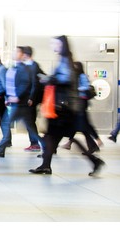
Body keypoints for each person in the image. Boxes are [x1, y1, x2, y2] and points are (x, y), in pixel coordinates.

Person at [29, 35, 105, 176]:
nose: (53, 46)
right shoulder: (65, 59)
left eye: (55, 43)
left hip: (62, 108)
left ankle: (93, 161)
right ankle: (46, 165)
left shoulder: (64, 61)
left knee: (51, 136)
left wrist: (49, 79)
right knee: (53, 137)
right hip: (64, 107)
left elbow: (66, 78)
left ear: (61, 45)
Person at [0, 47, 43, 158]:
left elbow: (26, 84)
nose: (13, 53)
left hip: (20, 104)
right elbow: (10, 85)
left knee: (6, 122)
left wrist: (16, 97)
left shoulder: (24, 68)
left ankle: (1, 148)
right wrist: (7, 97)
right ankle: (46, 147)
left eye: (16, 52)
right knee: (29, 127)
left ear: (22, 54)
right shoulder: (14, 67)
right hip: (16, 103)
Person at [60, 61, 102, 153]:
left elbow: (86, 87)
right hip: (76, 102)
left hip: (81, 102)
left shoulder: (82, 76)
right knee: (79, 125)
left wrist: (77, 88)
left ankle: (95, 143)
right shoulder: (75, 76)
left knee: (83, 125)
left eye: (75, 67)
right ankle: (91, 145)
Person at [22, 46, 46, 152]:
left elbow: (34, 84)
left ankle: (36, 143)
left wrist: (31, 98)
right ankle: (35, 143)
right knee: (29, 121)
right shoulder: (29, 65)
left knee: (30, 121)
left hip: (32, 99)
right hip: (29, 98)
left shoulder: (33, 66)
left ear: (26, 54)